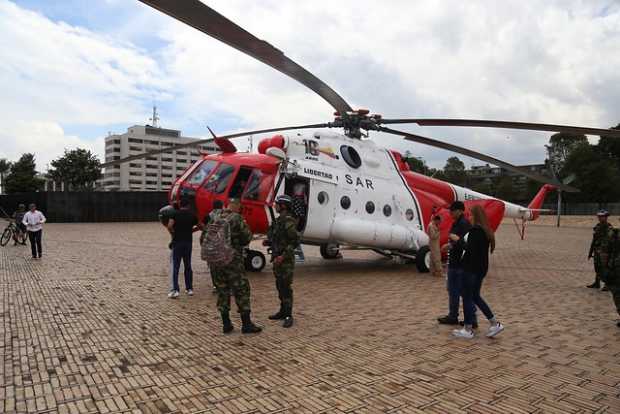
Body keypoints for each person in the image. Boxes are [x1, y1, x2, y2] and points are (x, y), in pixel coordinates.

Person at [204, 198, 261, 334]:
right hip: (232, 261)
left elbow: (204, 238)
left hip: (216, 262)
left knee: (222, 291)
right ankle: (246, 324)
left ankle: (226, 324)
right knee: (241, 290)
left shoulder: (214, 217)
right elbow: (247, 238)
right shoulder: (237, 218)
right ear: (238, 207)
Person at [452, 205, 504, 339]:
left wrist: (458, 241)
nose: (469, 217)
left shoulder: (475, 231)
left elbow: (470, 250)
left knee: (468, 298)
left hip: (470, 270)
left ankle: (468, 329)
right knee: (475, 296)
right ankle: (494, 323)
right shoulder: (486, 231)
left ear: (476, 216)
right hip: (480, 270)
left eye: (470, 214)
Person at [265, 194, 300, 328]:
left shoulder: (288, 222)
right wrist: (268, 241)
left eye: (278, 204)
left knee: (286, 288)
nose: (275, 206)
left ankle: (288, 315)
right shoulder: (279, 221)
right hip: (277, 259)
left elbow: (295, 241)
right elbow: (277, 237)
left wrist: (283, 256)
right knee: (280, 286)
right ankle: (282, 311)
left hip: (285, 261)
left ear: (283, 206)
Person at [437, 201, 472, 325]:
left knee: (462, 292)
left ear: (460, 210)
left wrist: (455, 241)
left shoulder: (464, 224)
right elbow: (456, 242)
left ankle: (470, 319)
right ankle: (453, 316)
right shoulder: (457, 223)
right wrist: (450, 245)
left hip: (460, 264)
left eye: (453, 210)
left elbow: (467, 244)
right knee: (453, 291)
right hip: (454, 262)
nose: (450, 212)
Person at [166, 197, 200, 298]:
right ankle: (189, 289)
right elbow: (200, 226)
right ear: (188, 206)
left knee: (176, 266)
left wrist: (173, 233)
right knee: (188, 265)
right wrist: (191, 231)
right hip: (188, 243)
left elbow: (169, 226)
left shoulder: (174, 214)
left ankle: (175, 290)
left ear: (180, 205)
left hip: (177, 242)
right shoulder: (192, 215)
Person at [200, 200, 224, 294]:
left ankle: (216, 286)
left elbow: (202, 226)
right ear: (221, 206)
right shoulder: (225, 215)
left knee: (213, 267)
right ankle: (225, 286)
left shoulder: (208, 216)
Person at [588, 210, 613, 291]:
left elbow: (611, 240)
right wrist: (590, 252)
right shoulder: (598, 226)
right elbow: (594, 240)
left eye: (601, 217)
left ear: (606, 217)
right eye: (599, 217)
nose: (599, 218)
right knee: (597, 267)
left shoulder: (609, 227)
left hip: (604, 251)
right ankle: (597, 283)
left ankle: (607, 284)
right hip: (597, 250)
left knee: (605, 267)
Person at [601, 222, 620, 327]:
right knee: (617, 293)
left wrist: (605, 266)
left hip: (615, 268)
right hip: (616, 269)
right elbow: (605, 251)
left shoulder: (613, 233)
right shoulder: (614, 233)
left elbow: (605, 251)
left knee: (617, 293)